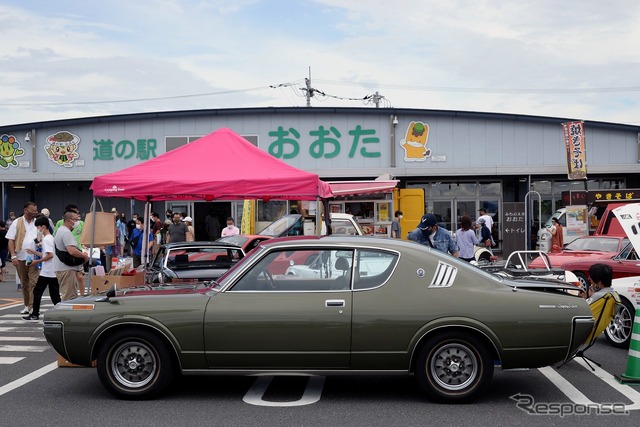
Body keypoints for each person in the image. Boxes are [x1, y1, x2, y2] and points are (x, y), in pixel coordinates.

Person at [23, 216, 61, 320]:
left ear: (43, 227)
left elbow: (50, 255)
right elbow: (46, 254)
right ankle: (60, 313)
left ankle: (35, 314)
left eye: (38, 227)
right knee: (54, 295)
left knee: (37, 292)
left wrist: (36, 261)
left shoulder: (47, 239)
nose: (37, 230)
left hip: (47, 271)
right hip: (51, 271)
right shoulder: (50, 238)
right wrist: (34, 252)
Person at [6, 202, 40, 314]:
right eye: (32, 211)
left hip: (33, 257)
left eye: (35, 211)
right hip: (20, 257)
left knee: (33, 282)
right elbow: (11, 240)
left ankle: (32, 306)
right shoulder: (17, 222)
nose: (34, 213)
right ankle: (26, 305)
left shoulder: (37, 223)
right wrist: (13, 256)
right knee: (24, 283)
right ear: (25, 210)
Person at [55, 210, 89, 301]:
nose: (77, 222)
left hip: (65, 269)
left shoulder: (61, 230)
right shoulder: (66, 232)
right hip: (67, 270)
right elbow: (72, 251)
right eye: (75, 219)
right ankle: (66, 315)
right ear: (69, 220)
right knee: (69, 297)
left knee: (69, 294)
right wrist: (84, 256)